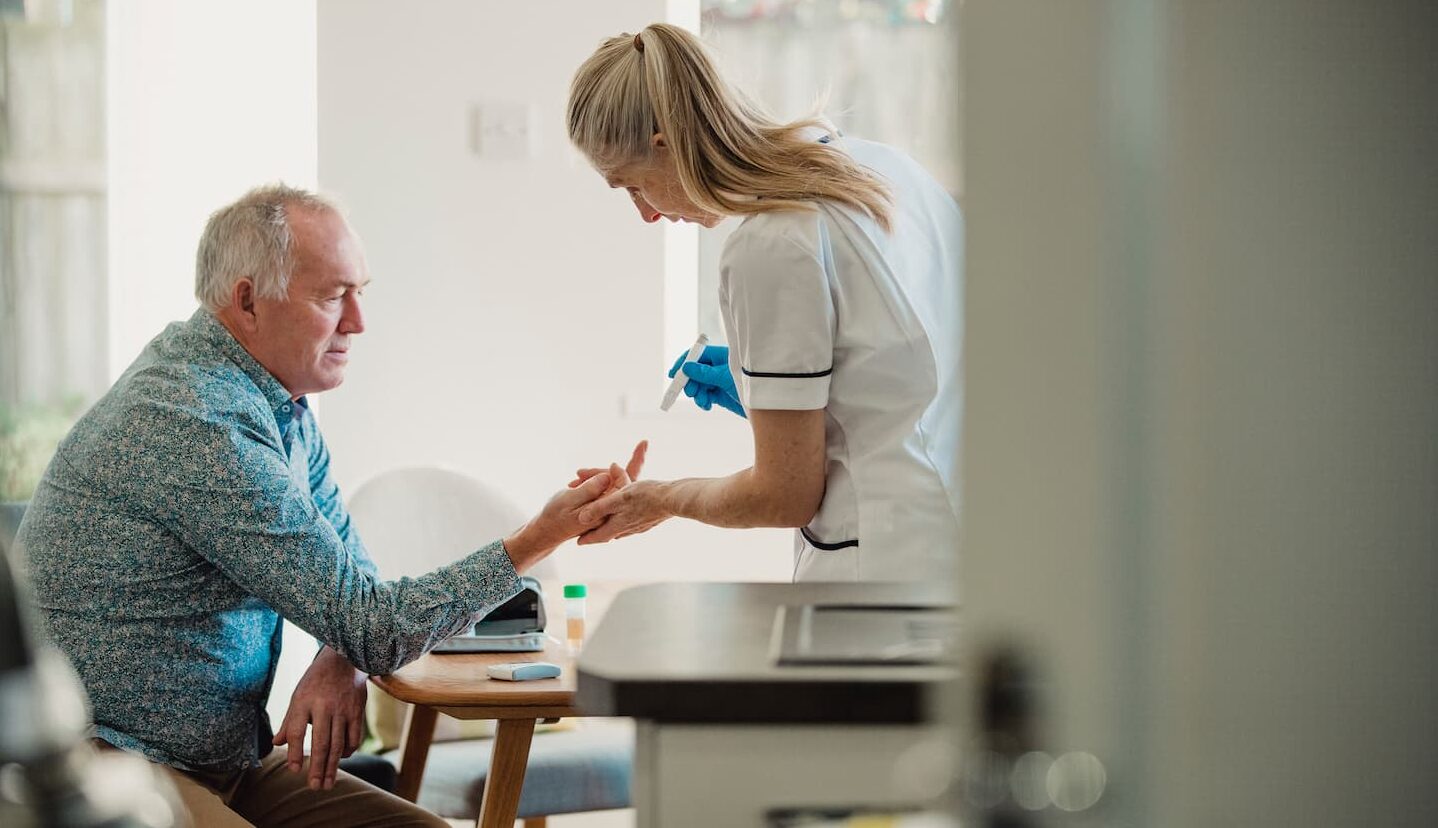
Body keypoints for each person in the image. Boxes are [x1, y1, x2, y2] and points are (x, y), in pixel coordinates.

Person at [15, 184, 613, 827]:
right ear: (247, 301)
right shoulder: (194, 420)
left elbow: (356, 593)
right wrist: (538, 537)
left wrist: (340, 653)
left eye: (360, 292)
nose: (358, 321)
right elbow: (375, 623)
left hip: (229, 761)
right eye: (332, 297)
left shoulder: (281, 407)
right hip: (118, 763)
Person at [566, 23, 962, 582]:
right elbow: (904, 374)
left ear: (666, 145)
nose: (647, 214)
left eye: (632, 185)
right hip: (966, 546)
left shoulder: (769, 243)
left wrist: (658, 499)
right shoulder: (886, 170)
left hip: (883, 579)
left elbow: (783, 497)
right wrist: (767, 393)